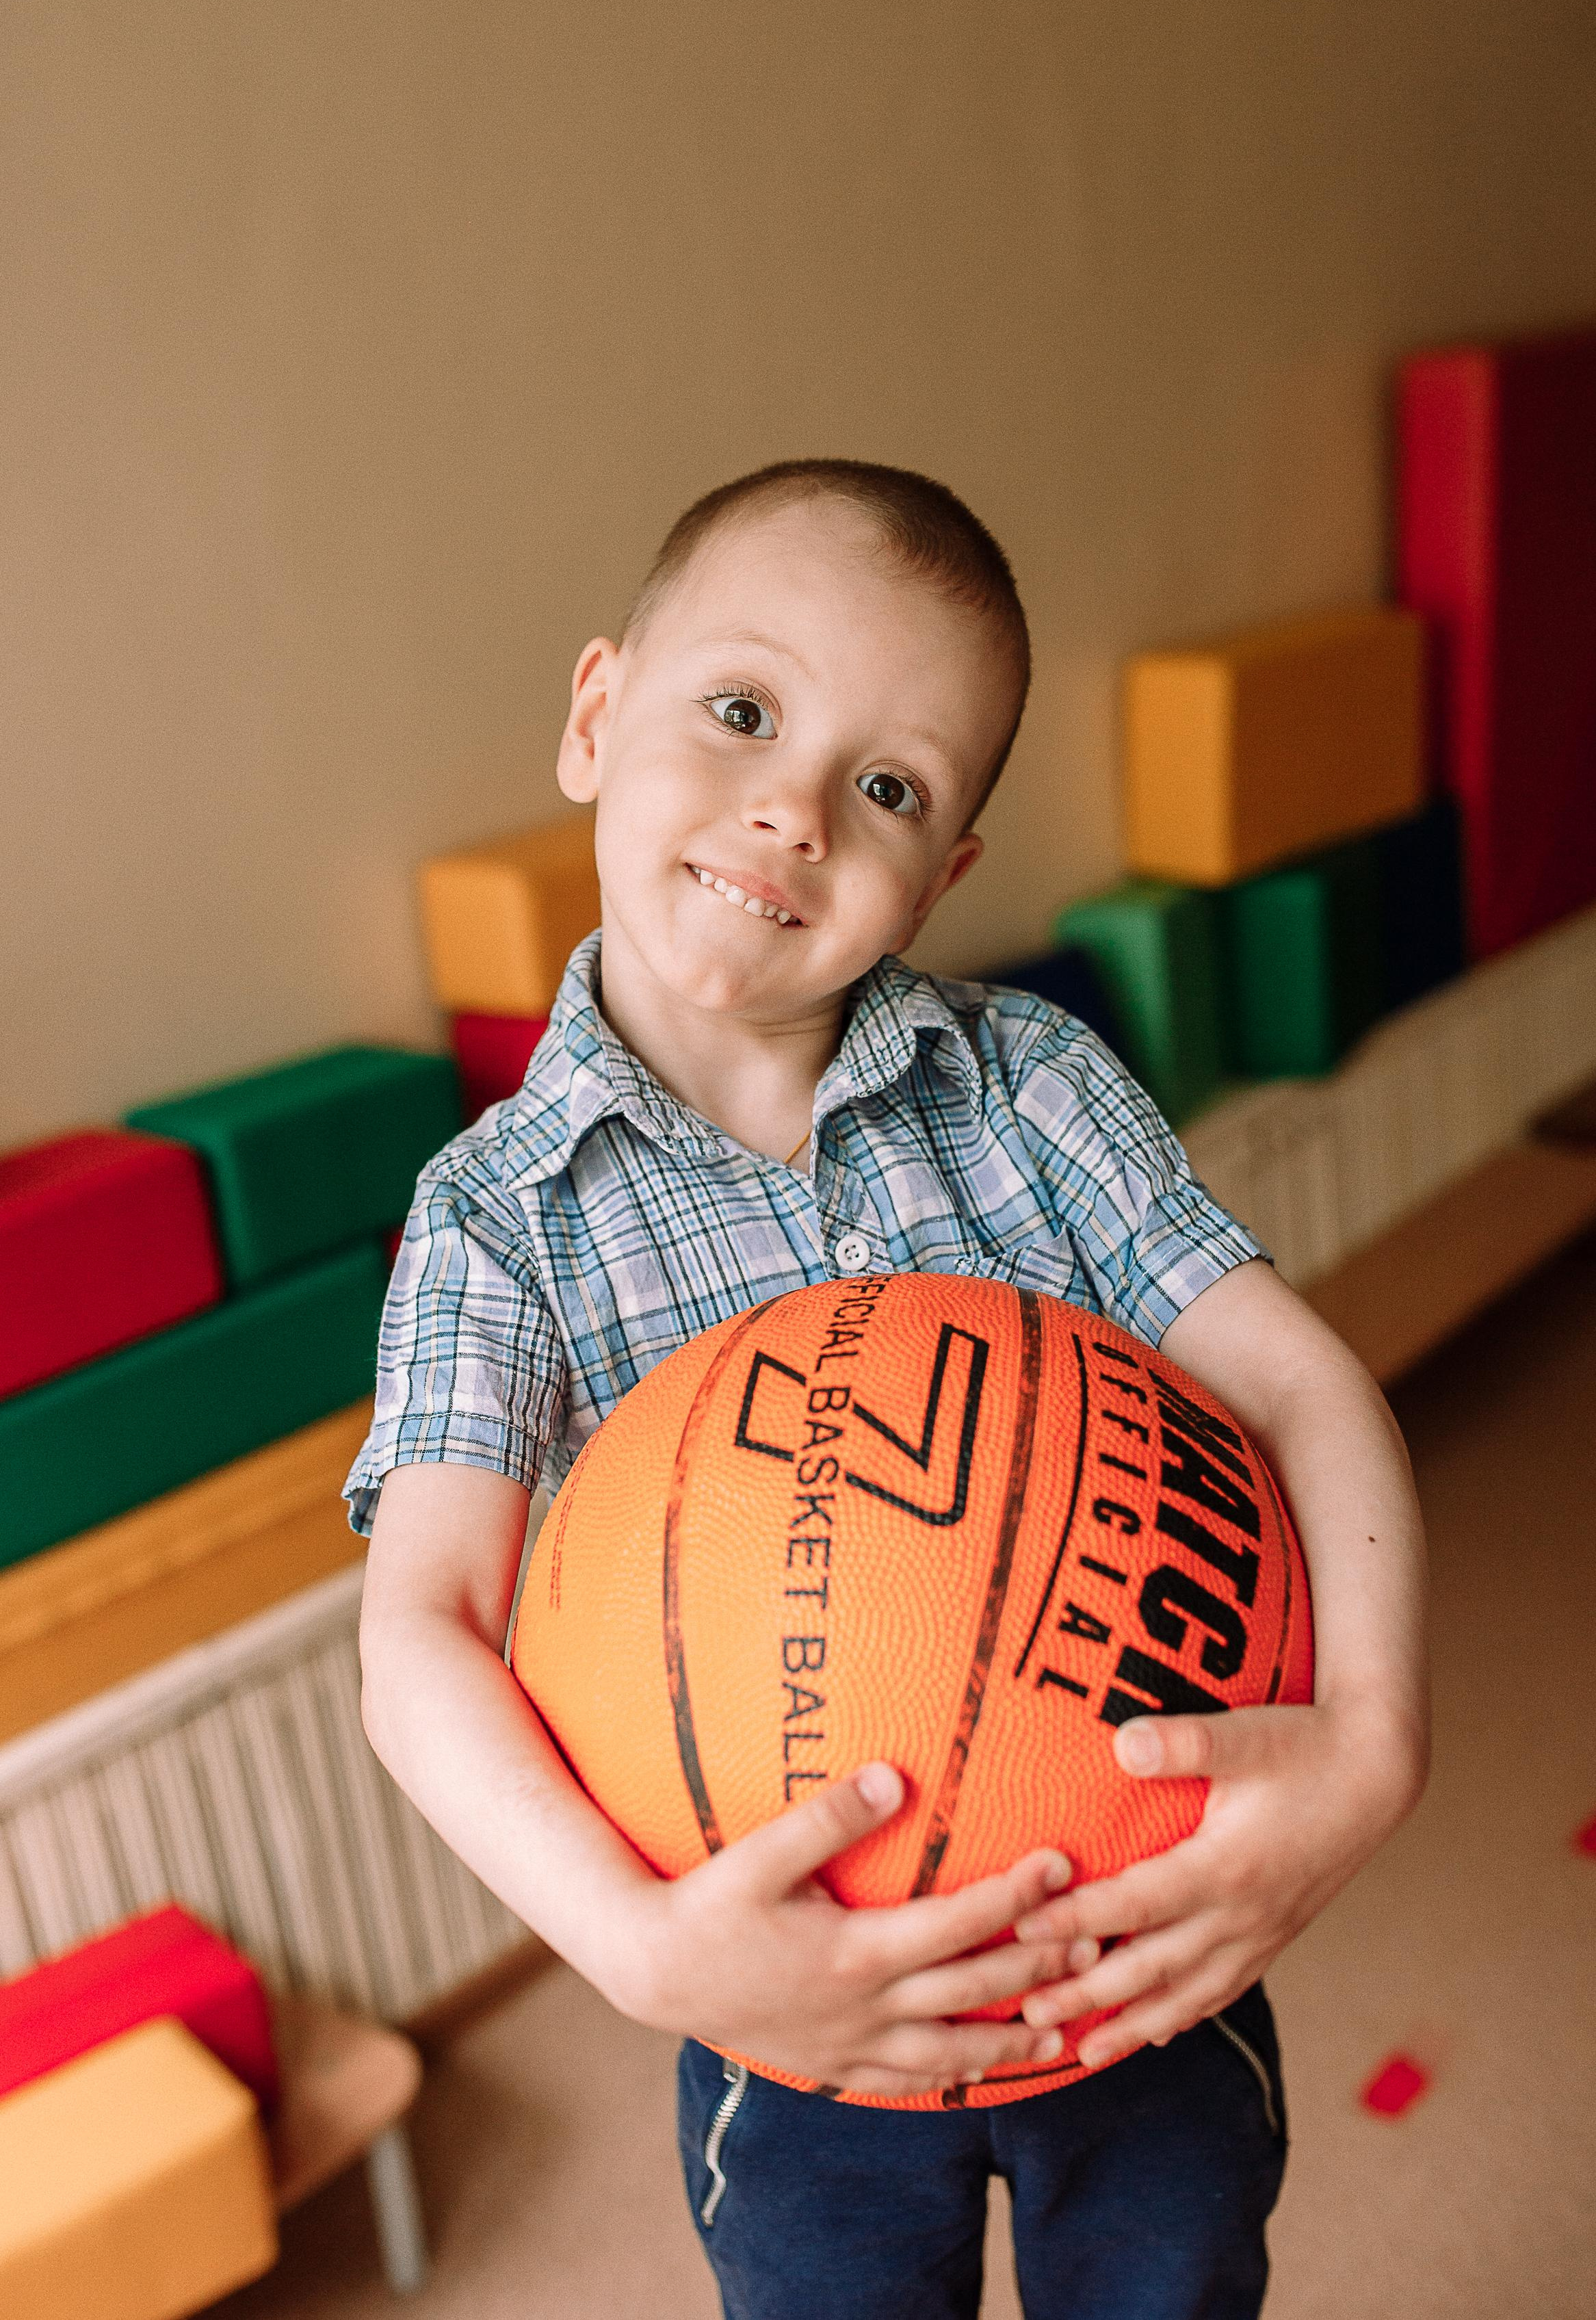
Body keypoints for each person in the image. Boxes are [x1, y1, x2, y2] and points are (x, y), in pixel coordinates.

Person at [351, 459, 1428, 2319]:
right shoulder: (496, 1220)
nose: (791, 811)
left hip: (1132, 1936)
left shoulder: (1031, 1091)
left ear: (946, 872)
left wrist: (1374, 1739)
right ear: (598, 716)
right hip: (794, 2012)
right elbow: (419, 1633)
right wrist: (642, 1953)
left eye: (890, 785)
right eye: (745, 711)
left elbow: (1309, 1390)